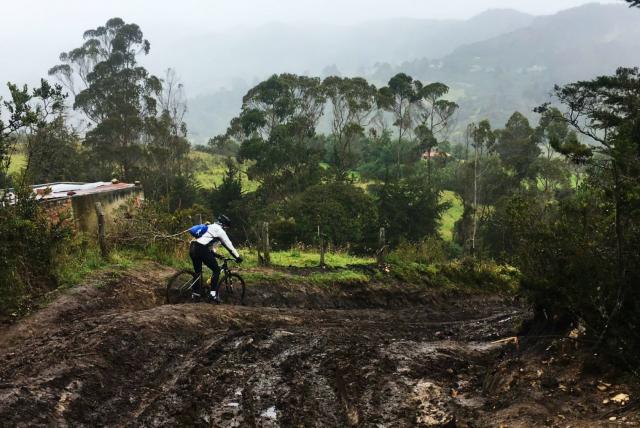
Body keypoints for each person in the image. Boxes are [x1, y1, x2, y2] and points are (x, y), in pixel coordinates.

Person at [189, 214, 243, 301]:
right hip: (200, 248)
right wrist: (237, 257)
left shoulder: (210, 226)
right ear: (224, 225)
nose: (226, 229)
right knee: (216, 270)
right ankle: (213, 294)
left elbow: (208, 246)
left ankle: (195, 293)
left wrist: (216, 255)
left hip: (193, 247)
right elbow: (229, 245)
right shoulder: (220, 231)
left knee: (198, 272)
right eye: (227, 227)